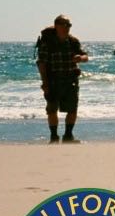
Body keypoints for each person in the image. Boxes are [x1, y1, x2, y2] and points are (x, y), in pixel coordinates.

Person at [36, 14, 89, 143]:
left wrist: (80, 58)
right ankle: (54, 136)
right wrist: (45, 82)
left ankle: (68, 136)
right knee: (52, 110)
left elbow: (85, 56)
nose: (66, 27)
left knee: (72, 109)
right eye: (63, 24)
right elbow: (41, 63)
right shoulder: (48, 42)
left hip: (70, 80)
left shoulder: (73, 41)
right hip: (53, 81)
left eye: (68, 25)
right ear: (56, 26)